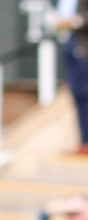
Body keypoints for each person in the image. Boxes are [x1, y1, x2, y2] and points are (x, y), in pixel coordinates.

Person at [57, 0, 88, 153]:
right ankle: (84, 141)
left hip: (83, 45)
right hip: (68, 45)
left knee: (85, 92)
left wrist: (75, 21)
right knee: (77, 94)